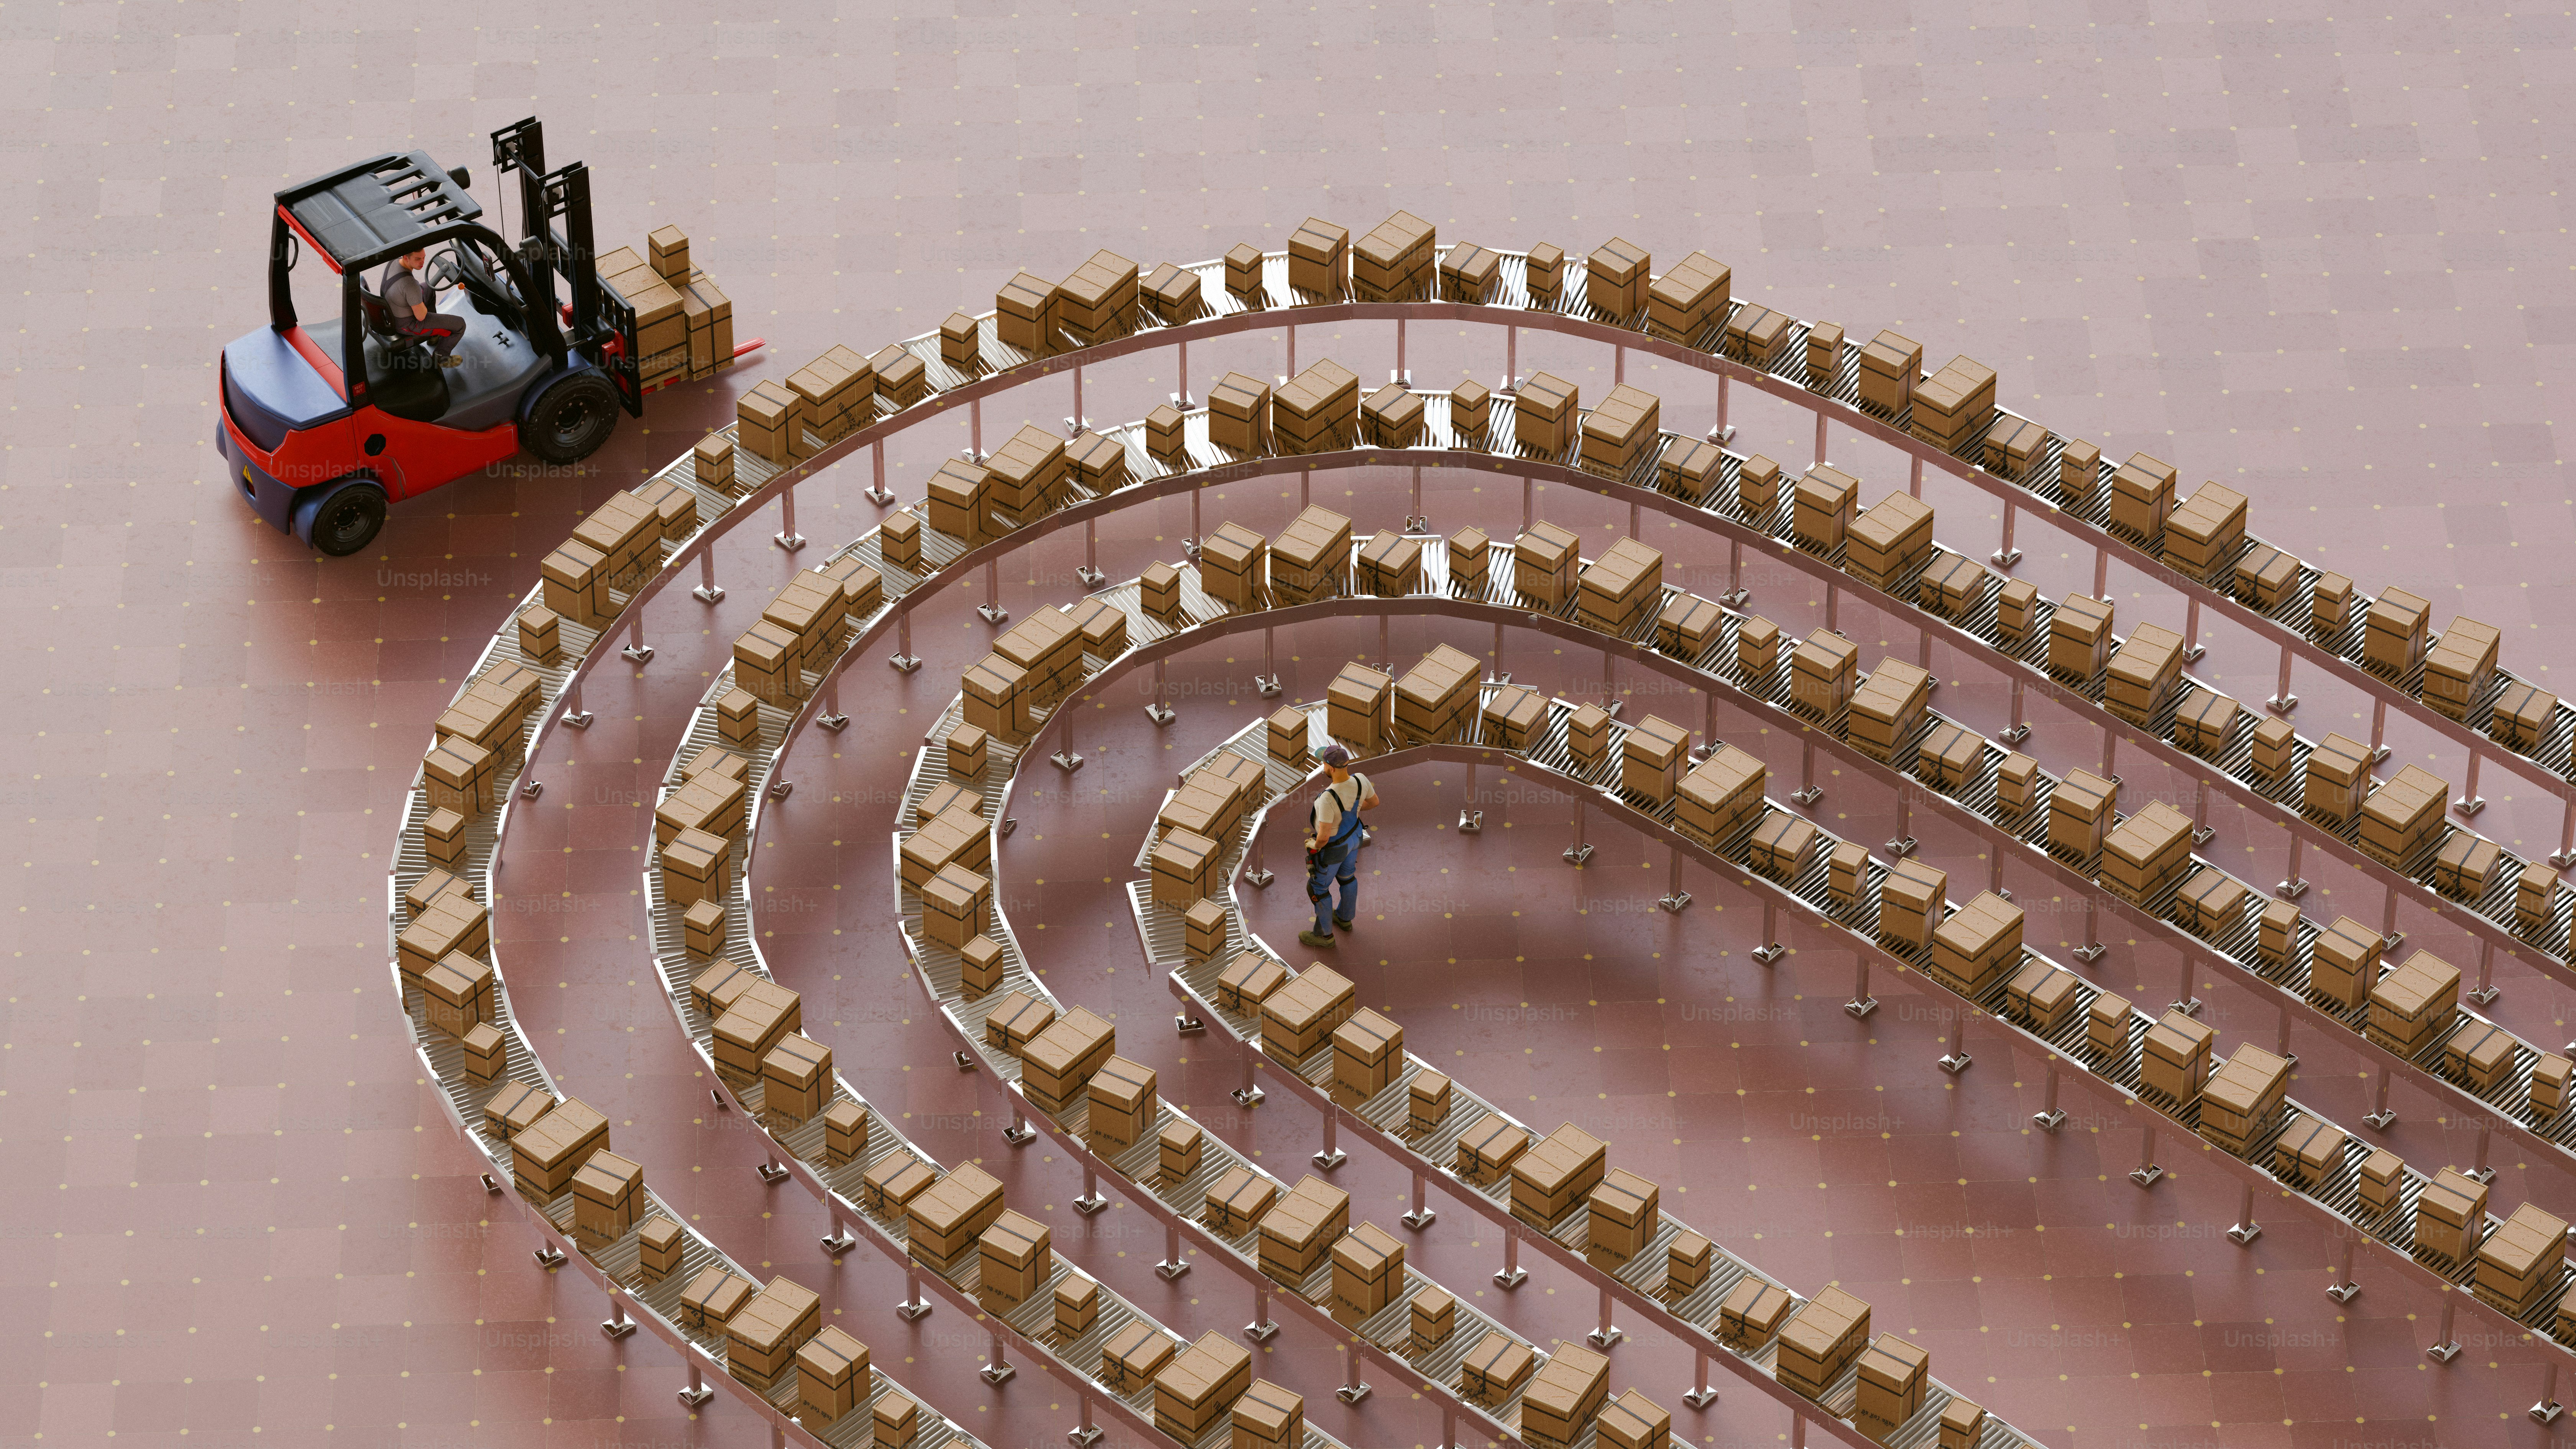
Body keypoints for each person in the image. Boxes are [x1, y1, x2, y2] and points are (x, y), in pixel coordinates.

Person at [1300, 745, 1377, 949]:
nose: (1323, 767)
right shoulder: (1361, 780)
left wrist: (1313, 845)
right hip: (1355, 839)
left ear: (1331, 768)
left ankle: (1324, 936)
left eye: (1323, 764)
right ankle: (1344, 918)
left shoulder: (1327, 798)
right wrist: (1356, 809)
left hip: (1334, 849)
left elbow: (1324, 837)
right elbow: (1374, 802)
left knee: (1317, 888)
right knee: (1348, 878)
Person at [378, 249, 465, 368]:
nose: (422, 262)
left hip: (394, 311)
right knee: (460, 325)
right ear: (406, 257)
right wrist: (421, 305)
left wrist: (418, 300)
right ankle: (440, 359)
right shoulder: (410, 284)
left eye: (424, 257)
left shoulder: (393, 262)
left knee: (430, 288)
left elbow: (410, 291)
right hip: (408, 325)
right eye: (418, 259)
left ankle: (434, 336)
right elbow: (421, 316)